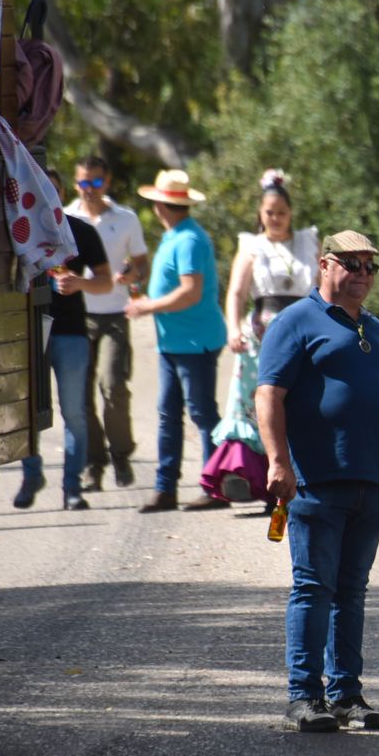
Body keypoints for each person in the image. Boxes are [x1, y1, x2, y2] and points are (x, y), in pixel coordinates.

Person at [256, 230, 379, 733]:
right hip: (317, 480)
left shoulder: (375, 330)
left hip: (372, 482)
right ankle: (303, 696)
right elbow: (268, 395)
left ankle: (346, 694)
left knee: (352, 592)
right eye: (352, 264)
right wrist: (278, 462)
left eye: (371, 266)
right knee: (314, 588)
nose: (363, 274)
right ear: (325, 265)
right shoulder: (295, 322)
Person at [203, 168, 318, 506]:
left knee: (301, 400)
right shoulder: (252, 246)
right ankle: (259, 480)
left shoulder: (307, 243)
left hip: (304, 331)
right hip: (261, 335)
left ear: (291, 213)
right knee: (259, 403)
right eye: (270, 213)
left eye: (281, 212)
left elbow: (321, 287)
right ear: (260, 213)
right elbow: (236, 292)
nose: (276, 218)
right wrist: (232, 329)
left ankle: (303, 478)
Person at [125, 169, 229, 513]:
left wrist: (148, 306)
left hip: (195, 341)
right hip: (175, 342)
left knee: (201, 413)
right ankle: (165, 489)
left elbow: (190, 292)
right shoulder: (176, 236)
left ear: (160, 205)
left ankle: (215, 487)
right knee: (169, 414)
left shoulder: (189, 240)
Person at [13, 168, 114, 511]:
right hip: (28, 331)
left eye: (52, 190)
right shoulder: (19, 229)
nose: (47, 197)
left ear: (60, 195)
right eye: (40, 190)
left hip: (70, 331)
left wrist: (80, 283)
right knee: (26, 410)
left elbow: (106, 281)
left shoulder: (81, 231)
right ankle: (31, 475)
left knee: (74, 412)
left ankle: (73, 487)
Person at [66, 156, 148, 492]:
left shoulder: (126, 218)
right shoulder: (67, 218)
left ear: (107, 182)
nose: (90, 189)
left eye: (96, 182)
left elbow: (142, 263)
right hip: (79, 315)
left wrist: (133, 275)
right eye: (84, 183)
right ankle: (94, 463)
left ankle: (121, 454)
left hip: (114, 313)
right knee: (82, 395)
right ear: (76, 184)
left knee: (113, 386)